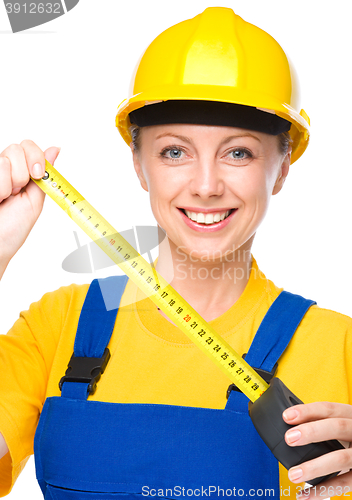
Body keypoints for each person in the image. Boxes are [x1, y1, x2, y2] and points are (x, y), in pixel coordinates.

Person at [0, 6, 351, 500]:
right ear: (139, 166)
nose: (206, 185)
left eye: (238, 152)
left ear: (283, 167)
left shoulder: (340, 350)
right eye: (174, 151)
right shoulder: (56, 326)